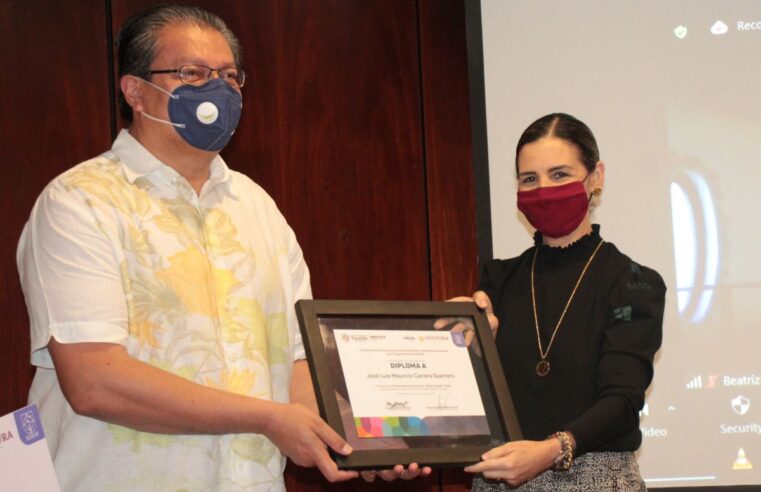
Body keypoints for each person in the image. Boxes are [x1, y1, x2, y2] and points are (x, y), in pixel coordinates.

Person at [16, 5, 426, 490]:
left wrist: (357, 443)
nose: (217, 90)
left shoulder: (258, 209)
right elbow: (94, 380)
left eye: (230, 77)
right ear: (134, 90)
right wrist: (266, 418)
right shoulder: (80, 201)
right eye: (192, 73)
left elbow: (298, 363)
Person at [462, 113, 665, 490]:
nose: (544, 190)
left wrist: (554, 449)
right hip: (501, 480)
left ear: (596, 177)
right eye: (529, 179)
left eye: (559, 175)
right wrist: (462, 343)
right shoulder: (497, 283)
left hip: (595, 479)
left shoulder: (634, 283)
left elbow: (622, 400)